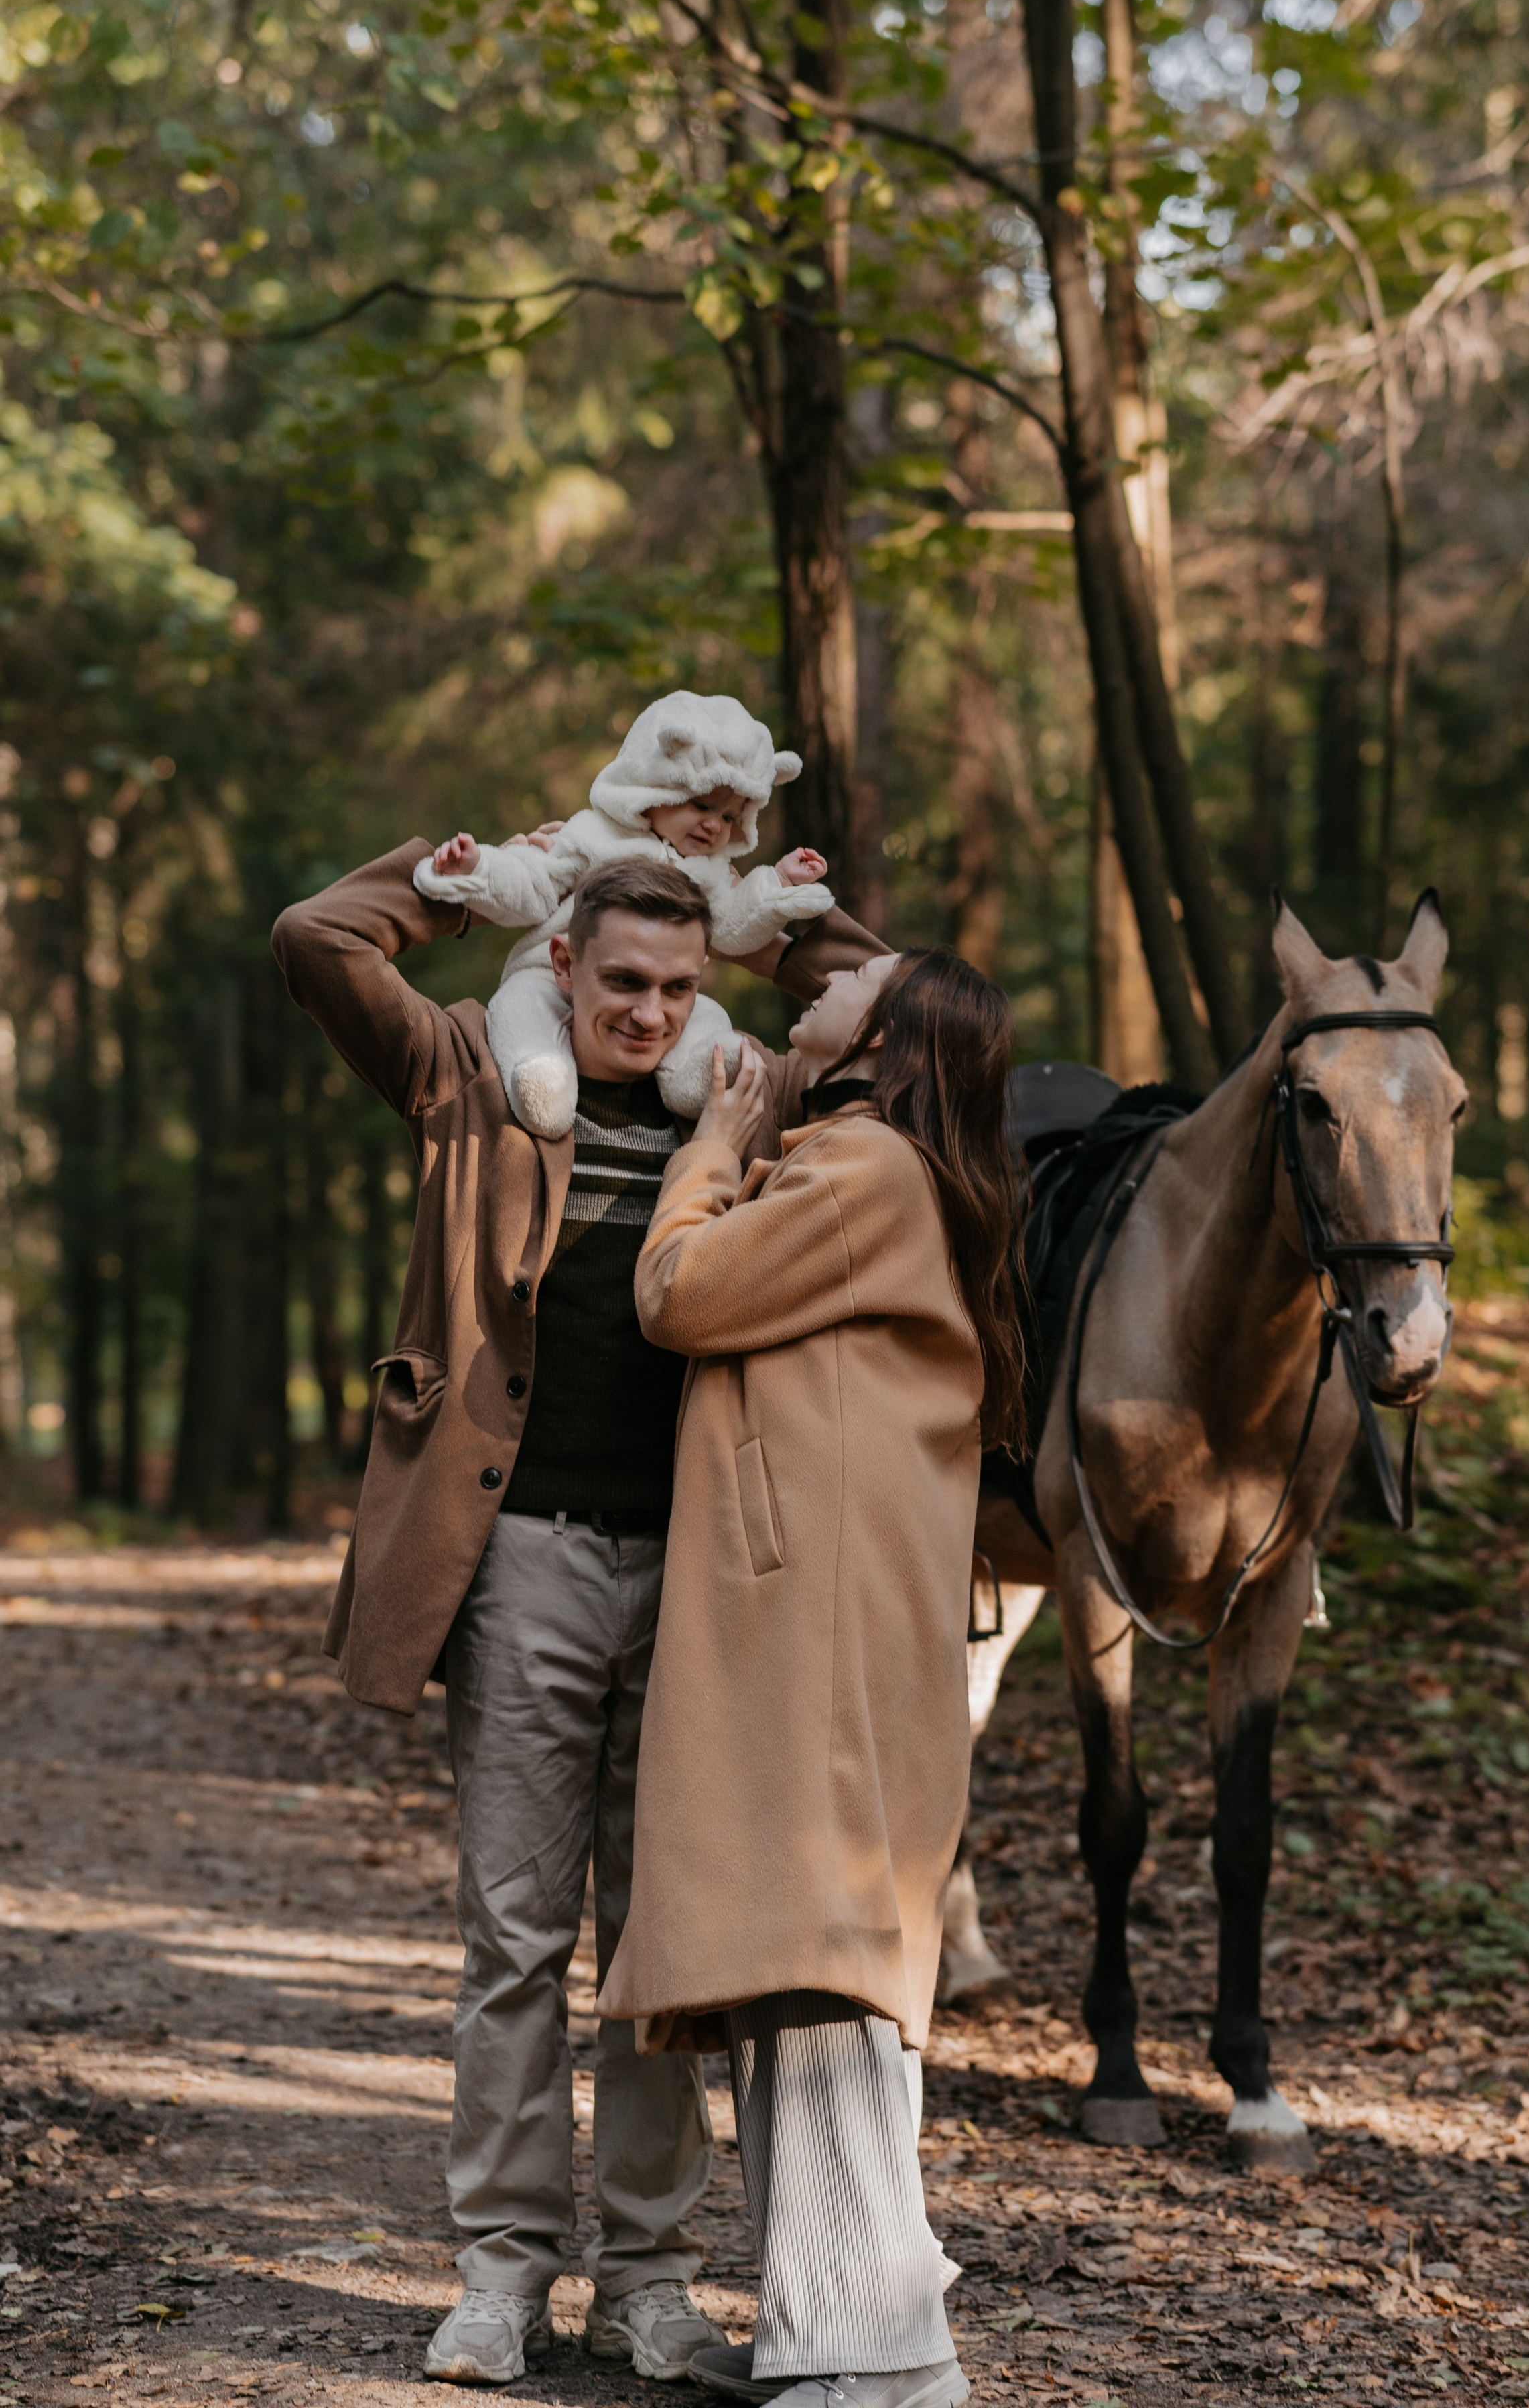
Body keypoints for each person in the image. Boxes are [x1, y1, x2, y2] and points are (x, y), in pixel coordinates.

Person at [271, 843, 884, 2389]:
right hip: (522, 1553)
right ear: (562, 961)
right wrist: (456, 874)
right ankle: (497, 2277)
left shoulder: (746, 1093)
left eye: (677, 983)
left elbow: (895, 1006)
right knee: (516, 1932)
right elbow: (317, 937)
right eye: (621, 978)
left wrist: (770, 918)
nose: (648, 1008)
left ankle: (648, 2286)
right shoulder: (472, 1070)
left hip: (703, 1566)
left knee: (666, 1946)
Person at [598, 947, 1027, 2408]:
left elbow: (678, 1290)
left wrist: (709, 1152)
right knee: (795, 1974)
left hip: (821, 1633)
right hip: (827, 1619)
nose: (821, 978)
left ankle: (877, 2356)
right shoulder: (878, 1158)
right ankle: (823, 2339)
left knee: (824, 1971)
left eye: (856, 979)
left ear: (891, 1036)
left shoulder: (861, 1169)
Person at [413, 689, 836, 1137]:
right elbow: (535, 881)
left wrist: (778, 884)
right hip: (544, 974)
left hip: (668, 1045)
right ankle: (542, 1080)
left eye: (731, 817)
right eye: (702, 805)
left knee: (706, 1015)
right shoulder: (592, 835)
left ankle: (698, 1071)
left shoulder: (710, 872)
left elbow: (732, 924)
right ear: (654, 788)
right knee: (522, 1007)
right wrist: (477, 870)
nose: (715, 825)